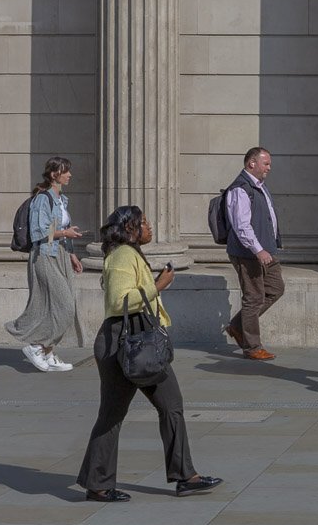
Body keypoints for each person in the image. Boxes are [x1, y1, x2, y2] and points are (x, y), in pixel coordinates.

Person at [76, 205, 222, 503]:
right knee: (119, 413)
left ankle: (181, 476)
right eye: (143, 222)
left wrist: (153, 285)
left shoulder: (129, 254)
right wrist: (159, 285)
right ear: (130, 228)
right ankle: (103, 483)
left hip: (132, 338)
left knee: (166, 406)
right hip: (126, 341)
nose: (150, 226)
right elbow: (119, 302)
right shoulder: (122, 256)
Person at [6, 156, 83, 372]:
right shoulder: (43, 199)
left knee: (60, 307)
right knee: (64, 306)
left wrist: (71, 254)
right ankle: (36, 346)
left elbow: (60, 232)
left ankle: (48, 352)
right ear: (54, 174)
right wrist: (64, 232)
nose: (70, 174)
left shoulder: (61, 200)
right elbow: (39, 232)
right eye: (65, 171)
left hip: (59, 254)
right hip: (44, 255)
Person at [223, 146, 284, 361]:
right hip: (248, 253)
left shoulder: (259, 186)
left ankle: (238, 326)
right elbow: (241, 226)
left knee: (276, 289)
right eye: (266, 163)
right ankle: (252, 346)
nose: (269, 168)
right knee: (254, 298)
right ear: (252, 164)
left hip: (266, 251)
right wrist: (258, 250)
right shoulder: (241, 189)